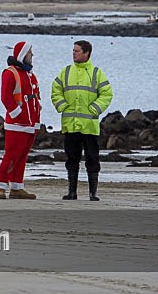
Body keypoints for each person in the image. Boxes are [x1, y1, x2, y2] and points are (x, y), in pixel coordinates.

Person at [51, 40, 113, 201]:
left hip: (89, 125)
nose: (74, 53)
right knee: (72, 159)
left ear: (86, 53)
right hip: (70, 125)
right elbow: (55, 90)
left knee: (92, 158)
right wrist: (62, 106)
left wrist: (95, 109)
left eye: (77, 51)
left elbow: (107, 94)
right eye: (73, 50)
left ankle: (93, 193)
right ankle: (72, 192)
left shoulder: (96, 73)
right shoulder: (66, 72)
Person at [0, 42, 41, 199]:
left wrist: (36, 116)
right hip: (16, 124)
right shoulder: (10, 73)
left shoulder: (29, 74)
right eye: (29, 53)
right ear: (22, 55)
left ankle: (16, 187)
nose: (32, 56)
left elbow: (34, 97)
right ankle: (0, 186)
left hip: (30, 123)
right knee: (11, 155)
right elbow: (6, 97)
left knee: (22, 156)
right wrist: (17, 113)